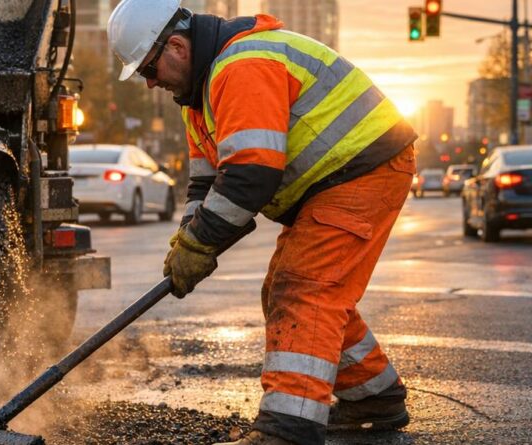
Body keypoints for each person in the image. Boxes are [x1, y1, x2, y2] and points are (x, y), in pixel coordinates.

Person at [107, 1, 418, 444]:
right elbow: (205, 185)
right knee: (285, 289)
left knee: (305, 289)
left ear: (176, 45)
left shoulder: (243, 65)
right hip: (332, 182)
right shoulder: (197, 102)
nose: (150, 82)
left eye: (148, 70)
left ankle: (288, 430)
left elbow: (251, 174)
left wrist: (201, 246)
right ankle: (374, 397)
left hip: (362, 170)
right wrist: (186, 242)